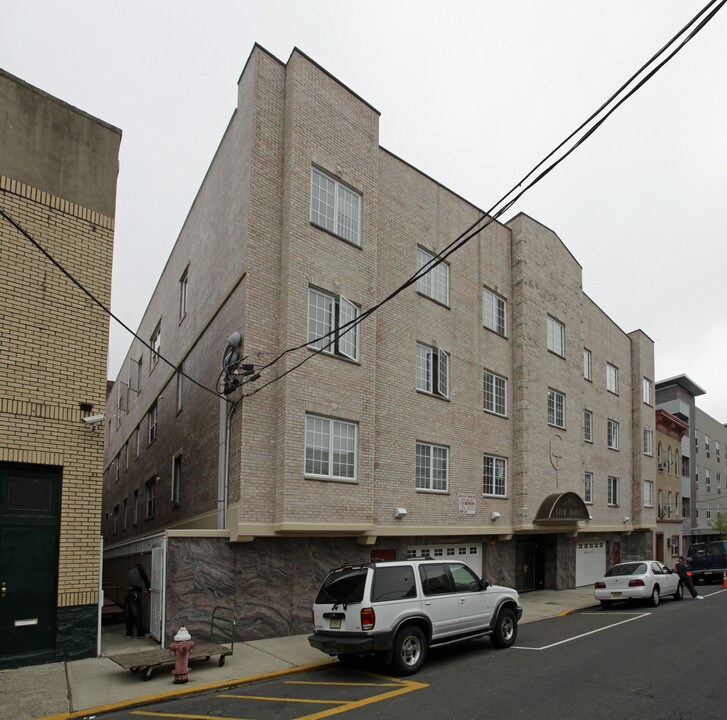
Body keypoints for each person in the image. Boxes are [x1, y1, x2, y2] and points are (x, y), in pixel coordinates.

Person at [124, 562, 151, 638]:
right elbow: (146, 580)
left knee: (129, 615)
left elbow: (134, 586)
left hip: (129, 594)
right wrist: (149, 590)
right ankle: (141, 634)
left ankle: (129, 633)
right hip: (135, 596)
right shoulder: (140, 569)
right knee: (138, 614)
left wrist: (143, 590)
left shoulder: (131, 572)